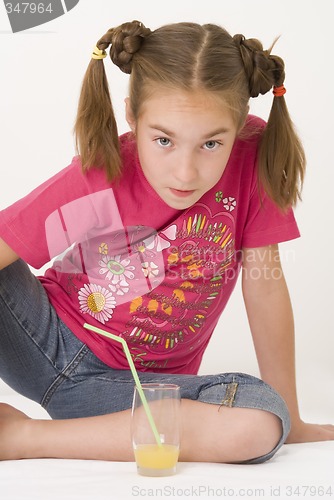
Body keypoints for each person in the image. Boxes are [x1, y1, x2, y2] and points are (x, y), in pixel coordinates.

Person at [0, 20, 333, 464]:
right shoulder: (105, 173)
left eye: (211, 144)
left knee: (263, 418)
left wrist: (293, 416)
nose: (184, 172)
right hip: (42, 341)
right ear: (132, 118)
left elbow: (264, 284)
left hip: (141, 391)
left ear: (238, 129)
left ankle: (22, 438)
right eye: (163, 140)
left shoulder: (254, 160)